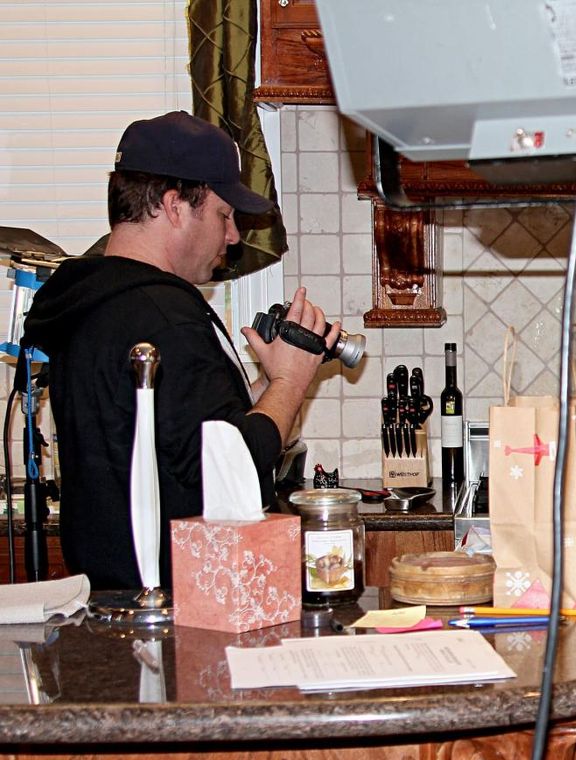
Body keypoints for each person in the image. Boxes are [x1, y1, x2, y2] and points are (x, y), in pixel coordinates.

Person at [23, 111, 341, 589]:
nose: (233, 236)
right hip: (177, 599)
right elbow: (230, 465)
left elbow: (183, 435)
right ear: (174, 206)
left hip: (111, 592)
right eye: (223, 215)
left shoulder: (98, 302)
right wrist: (290, 381)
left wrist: (271, 380)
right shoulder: (164, 315)